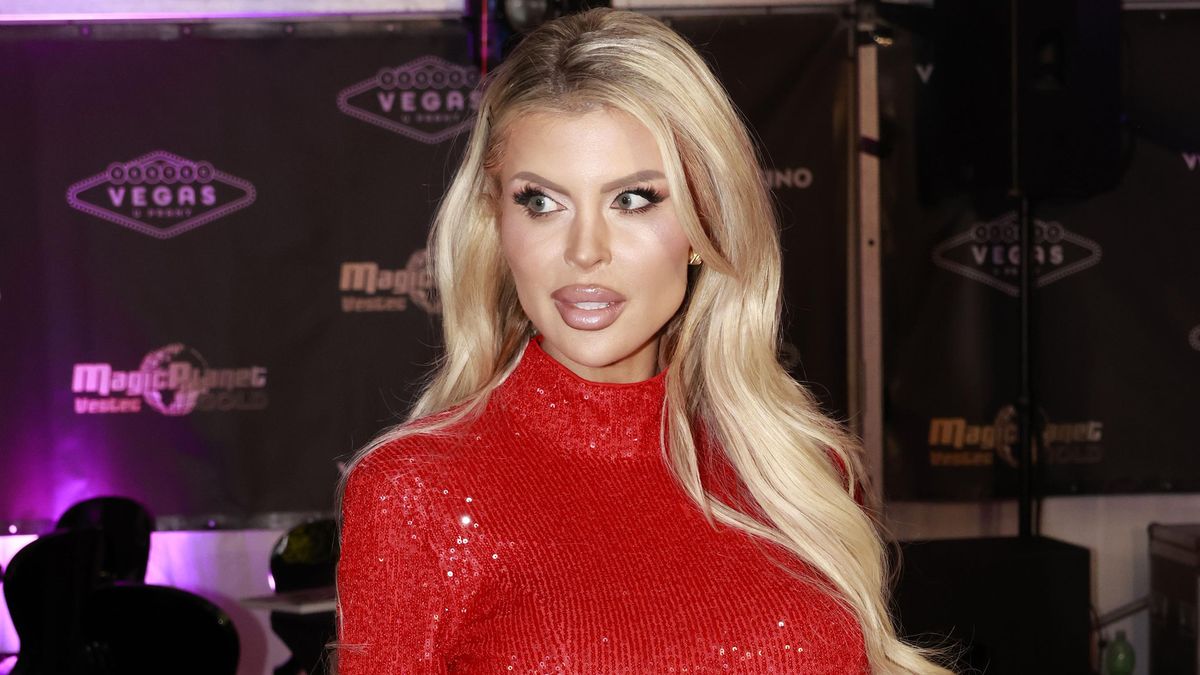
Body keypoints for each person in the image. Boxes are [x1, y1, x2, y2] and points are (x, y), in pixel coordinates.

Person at [336, 8, 951, 674]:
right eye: (541, 202)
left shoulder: (800, 470)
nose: (584, 251)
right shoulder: (415, 492)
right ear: (495, 221)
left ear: (704, 218)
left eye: (633, 199)